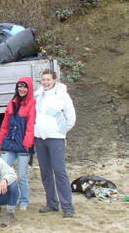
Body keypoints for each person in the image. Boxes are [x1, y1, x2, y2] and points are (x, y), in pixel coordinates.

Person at [34, 69, 76, 218]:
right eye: (43, 79)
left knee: (59, 172)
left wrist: (61, 131)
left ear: (54, 80)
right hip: (40, 138)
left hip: (55, 138)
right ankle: (52, 203)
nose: (45, 82)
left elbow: (71, 117)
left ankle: (68, 207)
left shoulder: (62, 96)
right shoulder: (38, 95)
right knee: (45, 173)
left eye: (48, 79)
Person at [0, 77, 36, 210]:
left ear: (29, 89)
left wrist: (27, 144)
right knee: (3, 170)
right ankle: (11, 197)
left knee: (23, 176)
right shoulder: (12, 102)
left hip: (23, 146)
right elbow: (5, 125)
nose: (22, 89)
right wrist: (0, 142)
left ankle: (24, 201)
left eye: (25, 87)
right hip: (10, 144)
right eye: (20, 86)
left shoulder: (32, 103)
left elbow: (31, 126)